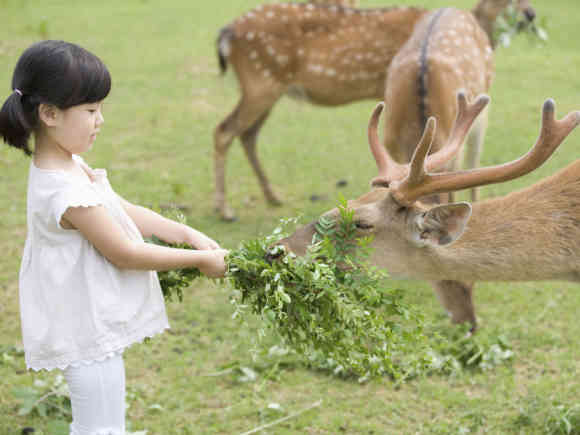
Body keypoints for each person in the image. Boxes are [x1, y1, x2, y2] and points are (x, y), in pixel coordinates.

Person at [0, 40, 228, 434]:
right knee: (99, 429)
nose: (100, 119)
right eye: (90, 110)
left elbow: (122, 210)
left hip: (90, 325)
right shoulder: (62, 192)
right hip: (83, 331)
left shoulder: (70, 164)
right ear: (49, 114)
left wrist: (186, 233)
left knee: (104, 426)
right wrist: (199, 260)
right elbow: (125, 253)